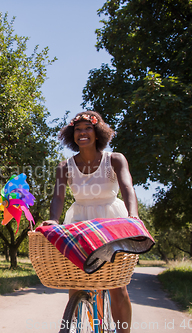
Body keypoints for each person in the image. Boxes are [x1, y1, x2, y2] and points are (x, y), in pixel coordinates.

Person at [42, 111, 138, 333]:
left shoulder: (115, 159)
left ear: (98, 133)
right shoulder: (64, 166)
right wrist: (53, 221)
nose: (82, 133)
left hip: (112, 222)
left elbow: (127, 188)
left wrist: (133, 216)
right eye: (77, 129)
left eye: (88, 128)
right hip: (80, 222)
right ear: (71, 134)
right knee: (75, 284)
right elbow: (58, 197)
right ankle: (87, 322)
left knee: (117, 287)